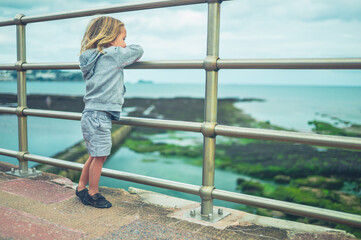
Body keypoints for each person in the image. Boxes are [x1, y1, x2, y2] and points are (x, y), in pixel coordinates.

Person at [75, 16, 143, 208]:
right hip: (99, 115)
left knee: (95, 154)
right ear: (110, 38)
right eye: (123, 38)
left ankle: (81, 187)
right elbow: (138, 50)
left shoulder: (92, 56)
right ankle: (93, 193)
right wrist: (119, 47)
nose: (125, 44)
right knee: (100, 156)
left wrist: (116, 44)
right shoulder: (112, 54)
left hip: (92, 114)